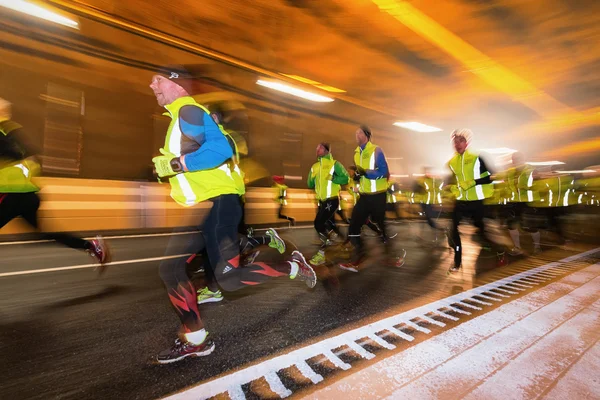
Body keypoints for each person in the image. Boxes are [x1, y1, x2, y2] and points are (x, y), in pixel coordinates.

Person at [149, 67, 316, 363]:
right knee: (170, 269)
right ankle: (196, 339)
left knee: (229, 279)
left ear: (176, 84)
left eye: (158, 80)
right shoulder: (181, 116)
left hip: (217, 206)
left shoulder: (188, 111)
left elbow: (220, 149)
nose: (152, 85)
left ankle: (291, 266)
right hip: (202, 209)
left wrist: (177, 164)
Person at [0, 98, 109, 270]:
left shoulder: (4, 132)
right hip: (26, 194)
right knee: (44, 233)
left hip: (12, 193)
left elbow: (14, 154)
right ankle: (92, 246)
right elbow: (29, 157)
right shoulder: (13, 131)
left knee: (43, 233)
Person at [339, 125, 390, 272]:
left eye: (359, 132)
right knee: (353, 225)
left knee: (380, 224)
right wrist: (356, 179)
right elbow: (360, 176)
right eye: (355, 133)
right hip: (365, 196)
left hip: (378, 195)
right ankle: (359, 257)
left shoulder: (376, 150)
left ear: (367, 135)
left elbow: (384, 172)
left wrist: (365, 172)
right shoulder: (356, 154)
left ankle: (389, 251)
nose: (356, 135)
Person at [446, 129, 494, 273]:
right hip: (461, 201)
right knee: (453, 229)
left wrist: (472, 182)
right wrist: (451, 188)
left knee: (480, 231)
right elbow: (452, 180)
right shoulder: (452, 162)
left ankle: (496, 249)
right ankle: (457, 261)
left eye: (461, 141)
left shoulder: (477, 157)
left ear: (466, 143)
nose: (457, 144)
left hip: (477, 201)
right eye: (455, 142)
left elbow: (490, 176)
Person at [307, 142, 349, 266]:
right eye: (316, 147)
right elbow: (309, 184)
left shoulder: (335, 164)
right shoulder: (314, 166)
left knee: (318, 223)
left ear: (326, 151)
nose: (317, 149)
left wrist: (334, 179)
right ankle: (344, 244)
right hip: (322, 201)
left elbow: (346, 178)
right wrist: (311, 178)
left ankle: (324, 250)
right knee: (331, 225)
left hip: (332, 200)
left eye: (319, 147)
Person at [504, 152, 541, 255]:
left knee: (531, 226)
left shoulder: (531, 170)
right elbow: (506, 185)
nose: (516, 161)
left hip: (528, 202)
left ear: (523, 159)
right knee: (511, 225)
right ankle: (517, 248)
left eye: (518, 158)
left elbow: (538, 185)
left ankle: (537, 246)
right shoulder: (510, 172)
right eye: (514, 159)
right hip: (514, 202)